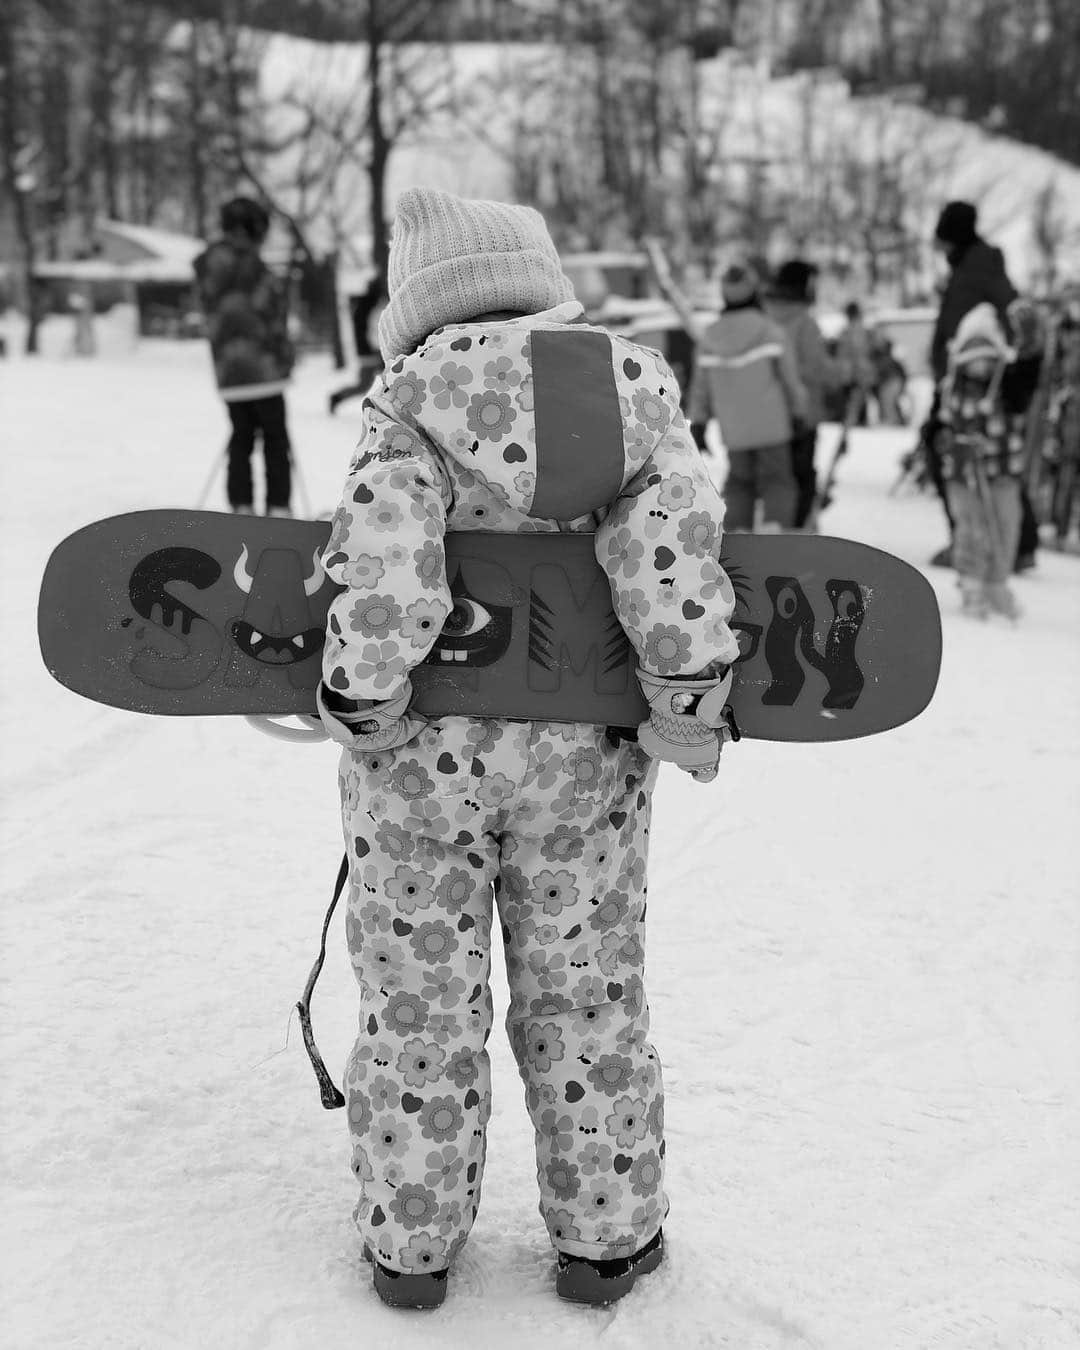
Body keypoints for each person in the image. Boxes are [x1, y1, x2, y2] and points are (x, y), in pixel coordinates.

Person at [314, 187, 741, 1310]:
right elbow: (673, 556)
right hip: (585, 761)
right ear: (544, 280)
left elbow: (387, 557)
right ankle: (607, 1241)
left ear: (420, 304)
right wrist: (686, 694)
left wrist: (362, 694)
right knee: (586, 991)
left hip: (417, 760)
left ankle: (413, 1248)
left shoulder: (409, 396)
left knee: (420, 999)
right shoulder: (628, 384)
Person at [923, 200, 1040, 570]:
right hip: (956, 379)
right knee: (966, 455)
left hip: (973, 382)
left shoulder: (980, 267)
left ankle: (1007, 544)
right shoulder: (968, 267)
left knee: (978, 456)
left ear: (953, 236)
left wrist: (999, 367)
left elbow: (1011, 312)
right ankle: (992, 542)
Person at [194, 196, 295, 517]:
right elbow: (274, 317)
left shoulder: (206, 267)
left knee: (241, 438)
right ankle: (278, 507)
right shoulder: (255, 269)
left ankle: (241, 506)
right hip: (264, 369)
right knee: (275, 440)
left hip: (229, 371)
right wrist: (285, 357)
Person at [686, 261, 807, 530]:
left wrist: (700, 422)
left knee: (740, 484)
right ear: (753, 291)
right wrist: (799, 413)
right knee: (778, 482)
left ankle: (741, 537)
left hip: (735, 429)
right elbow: (790, 379)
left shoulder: (710, 337)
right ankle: (775, 530)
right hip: (773, 426)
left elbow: (700, 387)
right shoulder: (769, 331)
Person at [935, 303, 1026, 619]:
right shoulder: (950, 391)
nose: (981, 367)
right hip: (964, 474)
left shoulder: (1009, 389)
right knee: (971, 528)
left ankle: (997, 582)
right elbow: (938, 429)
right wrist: (945, 440)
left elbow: (1030, 377)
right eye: (974, 360)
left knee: (1004, 525)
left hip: (1002, 472)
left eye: (988, 360)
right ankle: (971, 583)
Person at [764, 260, 848, 529]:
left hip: (766, 413)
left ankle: (771, 527)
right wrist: (845, 371)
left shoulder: (762, 316)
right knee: (802, 479)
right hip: (802, 414)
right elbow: (817, 367)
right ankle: (796, 534)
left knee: (774, 480)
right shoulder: (804, 322)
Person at [328, 275, 386, 415]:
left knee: (381, 380)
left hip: (369, 349)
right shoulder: (370, 306)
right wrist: (376, 346)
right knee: (368, 383)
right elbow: (372, 328)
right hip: (371, 349)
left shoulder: (365, 304)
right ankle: (337, 397)